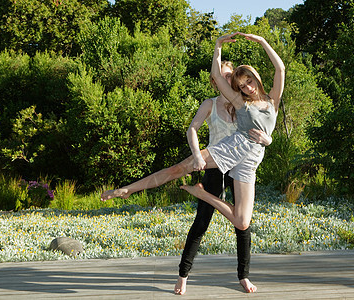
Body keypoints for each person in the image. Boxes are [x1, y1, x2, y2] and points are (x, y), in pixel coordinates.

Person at [101, 31, 285, 291]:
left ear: (256, 78)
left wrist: (262, 41)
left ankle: (201, 194)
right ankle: (127, 189)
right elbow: (219, 81)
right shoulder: (239, 102)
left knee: (243, 223)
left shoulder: (272, 101)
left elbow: (280, 68)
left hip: (249, 163)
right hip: (230, 150)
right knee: (179, 169)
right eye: (241, 84)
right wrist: (218, 46)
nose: (246, 87)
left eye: (248, 82)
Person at [175, 61, 272, 295]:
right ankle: (183, 276)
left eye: (232, 77)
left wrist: (268, 140)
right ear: (215, 79)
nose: (229, 81)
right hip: (214, 166)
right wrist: (197, 156)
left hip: (240, 167)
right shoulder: (210, 104)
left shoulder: (246, 104)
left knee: (243, 225)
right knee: (201, 222)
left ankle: (244, 276)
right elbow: (192, 129)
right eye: (224, 76)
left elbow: (266, 127)